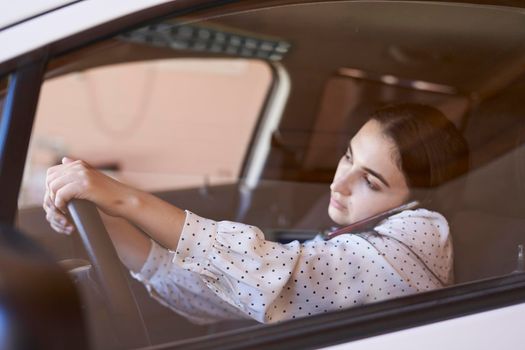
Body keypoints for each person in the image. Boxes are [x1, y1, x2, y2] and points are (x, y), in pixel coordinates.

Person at [43, 103, 469, 324]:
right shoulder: (356, 241)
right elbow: (229, 295)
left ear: (419, 200)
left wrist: (125, 199)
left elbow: (279, 276)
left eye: (370, 182)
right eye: (347, 157)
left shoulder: (422, 235)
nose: (338, 184)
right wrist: (108, 222)